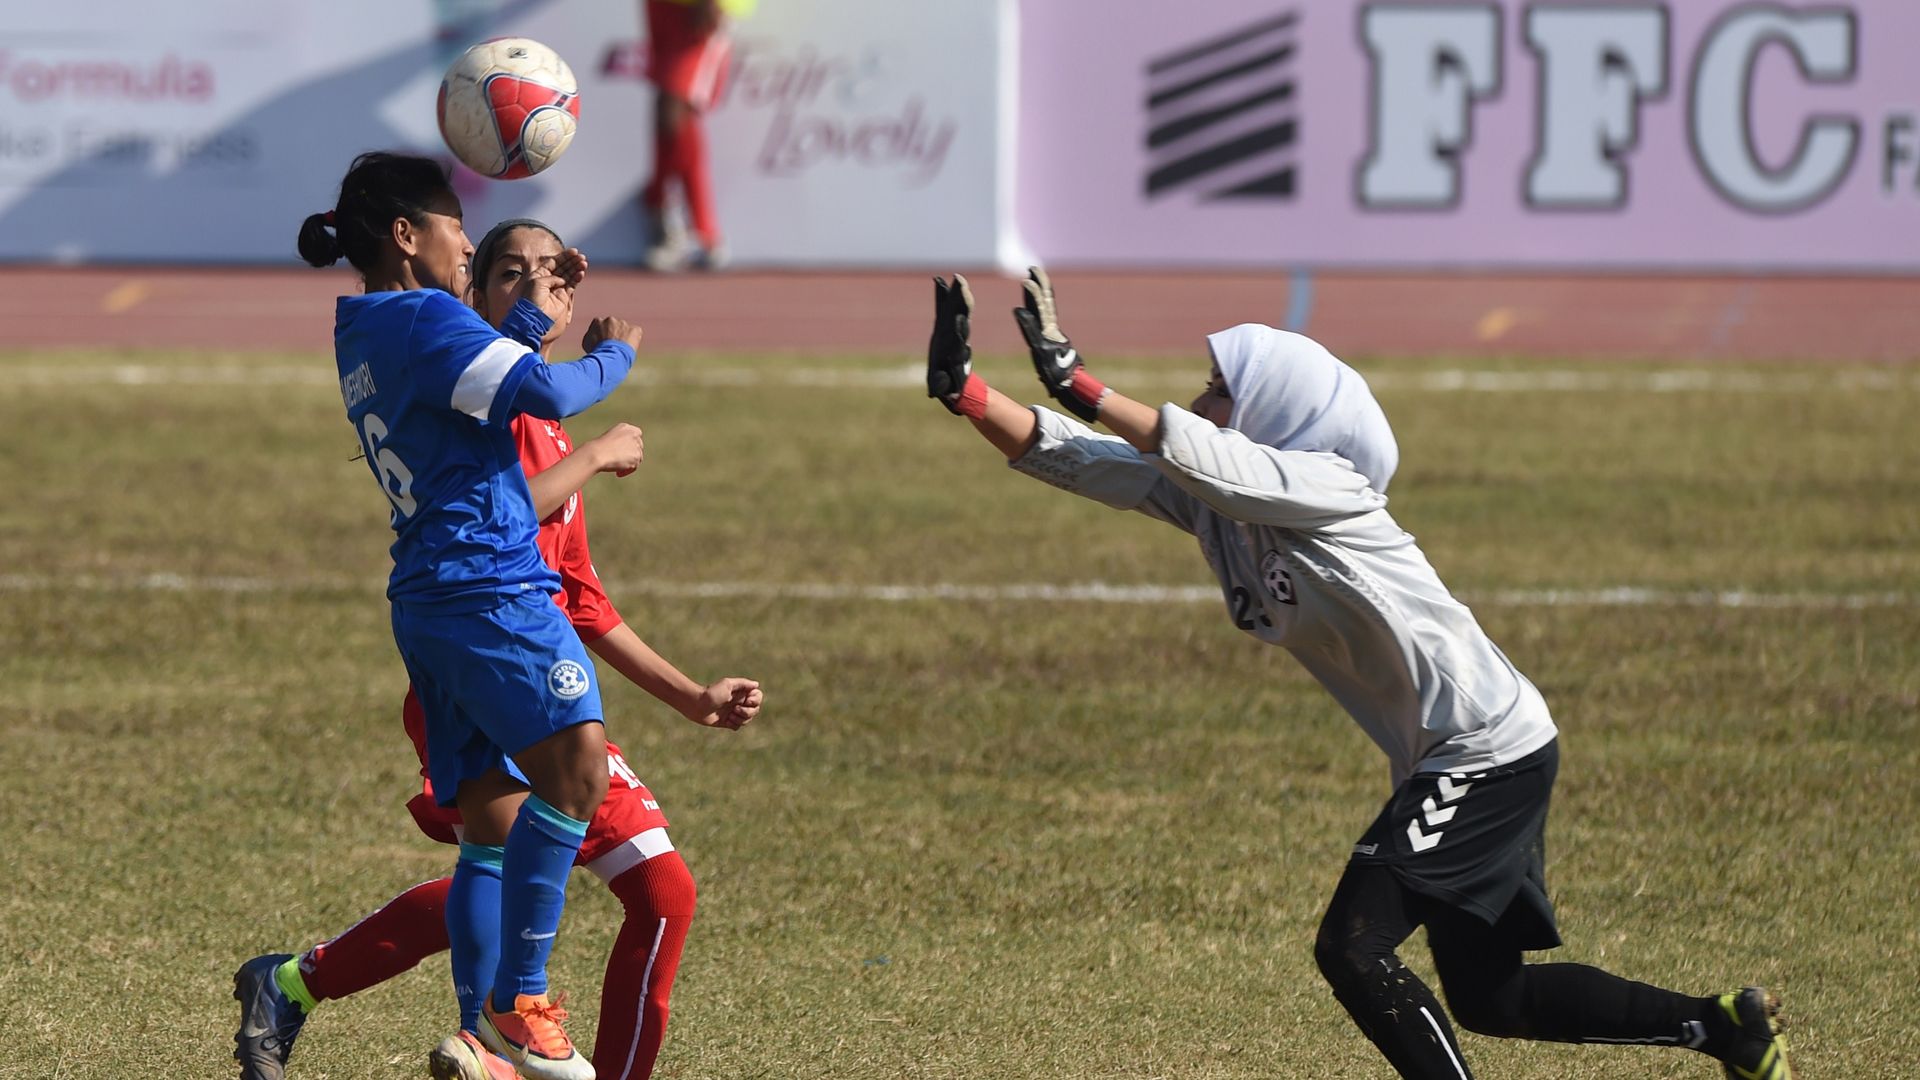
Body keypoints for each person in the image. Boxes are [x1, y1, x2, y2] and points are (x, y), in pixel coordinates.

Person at [921, 269, 1793, 1080]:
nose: (1199, 396)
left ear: (1273, 415)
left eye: (1221, 388)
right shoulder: (1222, 503)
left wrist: (1082, 379)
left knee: (1353, 946)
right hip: (1447, 757)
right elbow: (1091, 460)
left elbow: (1214, 459)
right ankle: (1725, 1030)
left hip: (1486, 751)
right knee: (1495, 998)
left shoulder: (1327, 487)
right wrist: (969, 395)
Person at [237, 217, 763, 1080]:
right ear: (471, 291)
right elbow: (501, 507)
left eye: (546, 272)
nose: (530, 286)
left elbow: (583, 598)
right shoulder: (491, 392)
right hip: (496, 656)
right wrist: (595, 453)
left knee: (525, 865)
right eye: (507, 272)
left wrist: (691, 695)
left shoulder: (526, 392)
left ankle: (318, 987)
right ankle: (497, 1030)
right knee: (637, 884)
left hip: (514, 652)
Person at [289, 152, 646, 1080]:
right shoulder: (424, 316)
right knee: (577, 771)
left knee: (492, 824)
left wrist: (529, 319)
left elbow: (474, 382)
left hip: (431, 600)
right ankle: (518, 1002)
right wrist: (614, 353)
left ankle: (481, 1034)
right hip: (489, 584)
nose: (463, 239)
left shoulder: (367, 323)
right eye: (454, 223)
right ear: (408, 235)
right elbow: (551, 393)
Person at [639, 0, 755, 272]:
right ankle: (695, 228)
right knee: (668, 109)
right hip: (663, 6)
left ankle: (682, 221)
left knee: (675, 107)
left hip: (698, 7)